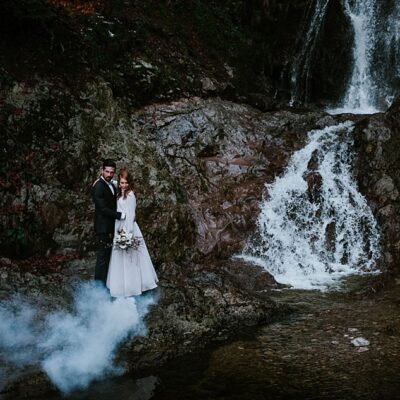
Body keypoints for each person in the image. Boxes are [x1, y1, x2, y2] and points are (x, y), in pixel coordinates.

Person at [106, 168, 158, 297]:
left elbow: (131, 215)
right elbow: (110, 182)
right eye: (121, 183)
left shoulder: (130, 196)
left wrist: (127, 235)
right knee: (120, 257)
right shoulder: (120, 192)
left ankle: (131, 286)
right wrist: (101, 180)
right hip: (119, 227)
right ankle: (120, 284)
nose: (123, 185)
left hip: (127, 228)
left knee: (130, 258)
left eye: (125, 183)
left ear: (130, 183)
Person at [92, 159, 126, 285]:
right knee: (102, 257)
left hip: (109, 226)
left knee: (107, 256)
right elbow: (102, 209)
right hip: (103, 227)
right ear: (102, 170)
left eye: (112, 172)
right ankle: (98, 287)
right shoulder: (98, 186)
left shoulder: (110, 183)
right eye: (107, 171)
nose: (109, 174)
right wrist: (120, 215)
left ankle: (106, 282)